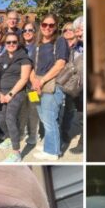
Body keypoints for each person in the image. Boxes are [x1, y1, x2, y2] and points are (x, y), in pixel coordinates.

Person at [30, 14, 68, 160]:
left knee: (50, 118)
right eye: (45, 24)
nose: (47, 28)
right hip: (37, 85)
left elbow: (60, 64)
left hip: (51, 85)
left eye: (51, 25)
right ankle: (50, 145)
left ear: (56, 26)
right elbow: (32, 66)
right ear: (41, 26)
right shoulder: (37, 44)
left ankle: (53, 152)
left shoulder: (59, 41)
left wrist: (42, 81)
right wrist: (34, 81)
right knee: (43, 117)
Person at [0, 33, 33, 162]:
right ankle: (10, 138)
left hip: (17, 93)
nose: (11, 44)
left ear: (18, 43)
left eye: (14, 42)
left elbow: (24, 78)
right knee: (1, 118)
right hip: (1, 93)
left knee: (10, 117)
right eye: (8, 42)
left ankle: (16, 153)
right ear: (5, 44)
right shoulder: (0, 59)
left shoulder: (24, 58)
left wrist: (10, 95)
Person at [58, 18, 84, 155]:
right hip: (70, 86)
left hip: (83, 87)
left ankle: (83, 144)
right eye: (65, 30)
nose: (70, 32)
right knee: (69, 111)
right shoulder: (75, 47)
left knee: (82, 116)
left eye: (72, 29)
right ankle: (64, 134)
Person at [18, 21, 41, 147]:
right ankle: (23, 132)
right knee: (22, 110)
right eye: (25, 31)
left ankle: (33, 135)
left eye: (30, 30)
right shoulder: (19, 47)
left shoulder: (38, 47)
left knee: (33, 110)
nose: (27, 33)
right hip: (21, 86)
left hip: (33, 86)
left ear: (35, 31)